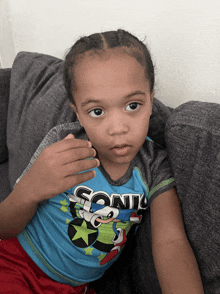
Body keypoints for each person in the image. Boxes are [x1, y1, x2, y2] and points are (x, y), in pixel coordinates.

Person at [0, 29, 204, 293]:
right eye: (97, 111)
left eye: (133, 106)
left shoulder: (154, 165)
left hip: (77, 288)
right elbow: (6, 228)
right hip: (15, 263)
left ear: (151, 100)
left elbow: (171, 243)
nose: (117, 128)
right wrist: (29, 190)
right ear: (78, 112)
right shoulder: (63, 143)